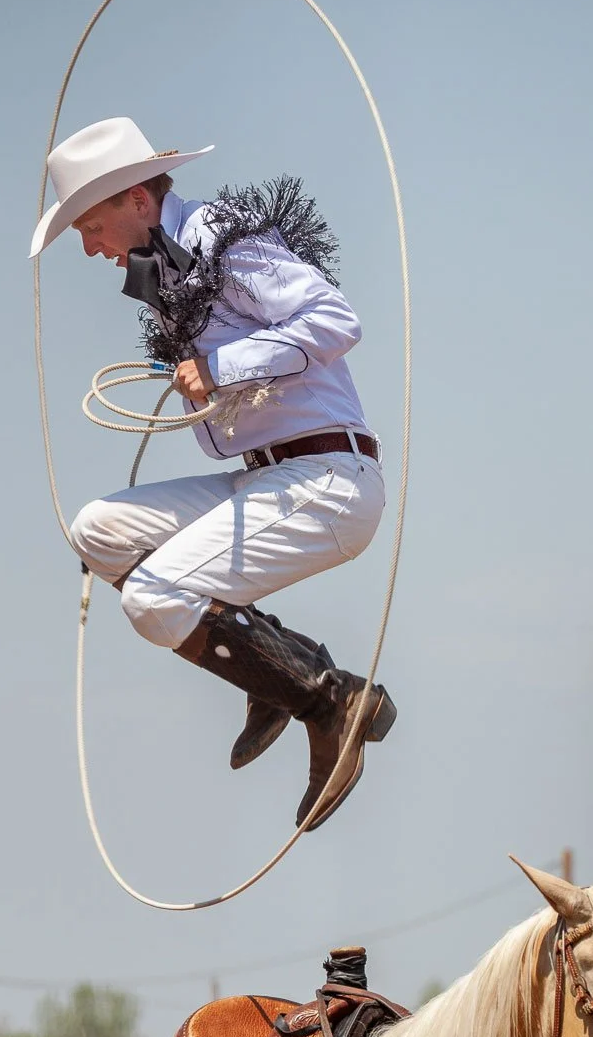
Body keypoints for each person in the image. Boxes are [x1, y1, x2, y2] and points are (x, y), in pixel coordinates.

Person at [31, 116, 395, 830]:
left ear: (137, 198)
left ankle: (328, 702)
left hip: (327, 483)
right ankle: (275, 670)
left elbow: (334, 318)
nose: (88, 246)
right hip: (268, 479)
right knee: (98, 531)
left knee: (154, 597)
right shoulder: (167, 263)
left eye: (89, 223)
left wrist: (220, 368)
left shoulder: (218, 235)